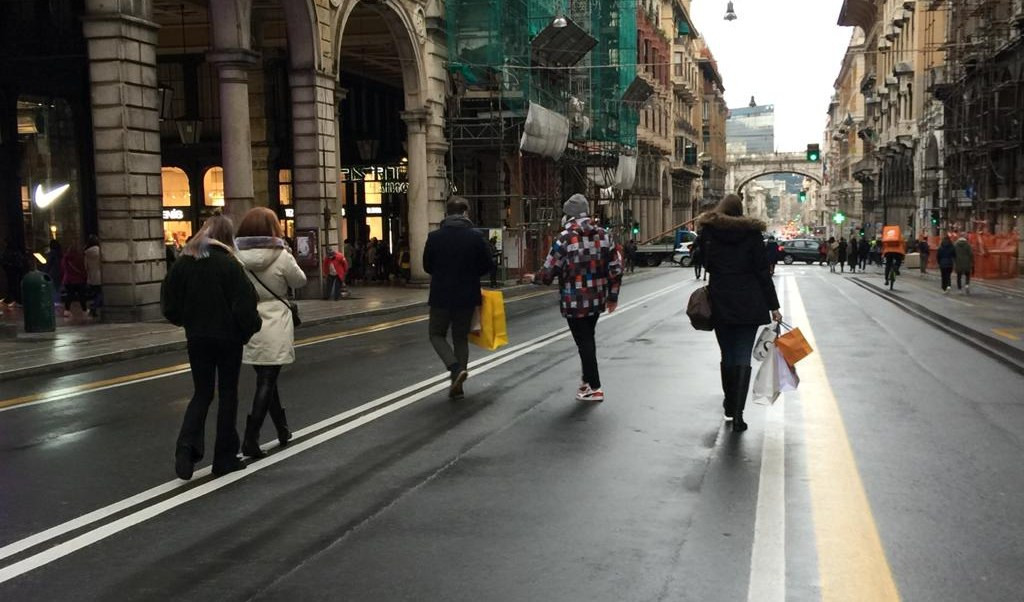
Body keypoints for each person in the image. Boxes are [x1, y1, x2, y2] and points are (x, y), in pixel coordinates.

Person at [161, 215, 262, 480]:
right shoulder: (230, 265)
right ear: (227, 238)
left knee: (202, 392)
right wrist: (247, 331)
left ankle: (186, 448)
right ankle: (224, 458)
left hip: (197, 337)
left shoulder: (183, 264)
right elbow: (245, 306)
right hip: (228, 339)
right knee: (228, 394)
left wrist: (188, 321)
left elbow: (169, 304)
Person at [695, 194, 782, 432]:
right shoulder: (752, 234)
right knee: (742, 355)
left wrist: (702, 237)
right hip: (750, 301)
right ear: (741, 210)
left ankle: (728, 404)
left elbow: (703, 263)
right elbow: (762, 272)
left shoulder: (710, 233)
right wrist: (774, 306)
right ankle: (738, 414)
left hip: (721, 299)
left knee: (727, 354)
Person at [234, 208, 308, 459]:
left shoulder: (236, 256)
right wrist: (288, 256)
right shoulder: (281, 255)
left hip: (249, 320)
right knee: (267, 379)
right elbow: (300, 281)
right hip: (275, 319)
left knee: (267, 378)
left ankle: (282, 429)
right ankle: (250, 438)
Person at [536, 194, 623, 402]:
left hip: (573, 300)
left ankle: (595, 386)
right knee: (588, 338)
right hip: (596, 299)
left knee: (584, 341)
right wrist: (612, 296)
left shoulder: (564, 238)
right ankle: (586, 382)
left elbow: (549, 272)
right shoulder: (604, 235)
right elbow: (616, 269)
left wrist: (535, 278)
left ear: (569, 215)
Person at [422, 196, 494, 399]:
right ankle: (458, 384)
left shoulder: (434, 237)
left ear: (447, 213)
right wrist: (470, 274)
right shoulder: (476, 236)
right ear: (465, 213)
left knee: (436, 334)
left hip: (441, 295)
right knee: (460, 337)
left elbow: (427, 266)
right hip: (467, 295)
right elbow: (488, 265)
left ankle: (454, 369)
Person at [60, 243, 88, 317]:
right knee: (81, 295)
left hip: (68, 280)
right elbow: (83, 268)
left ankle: (67, 310)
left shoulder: (65, 258)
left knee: (69, 295)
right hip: (79, 280)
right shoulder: (79, 258)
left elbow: (63, 269)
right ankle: (84, 310)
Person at [84, 235, 102, 317]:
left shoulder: (86, 252)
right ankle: (94, 307)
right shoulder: (100, 251)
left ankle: (94, 308)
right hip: (100, 275)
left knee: (96, 293)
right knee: (100, 293)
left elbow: (85, 266)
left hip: (91, 276)